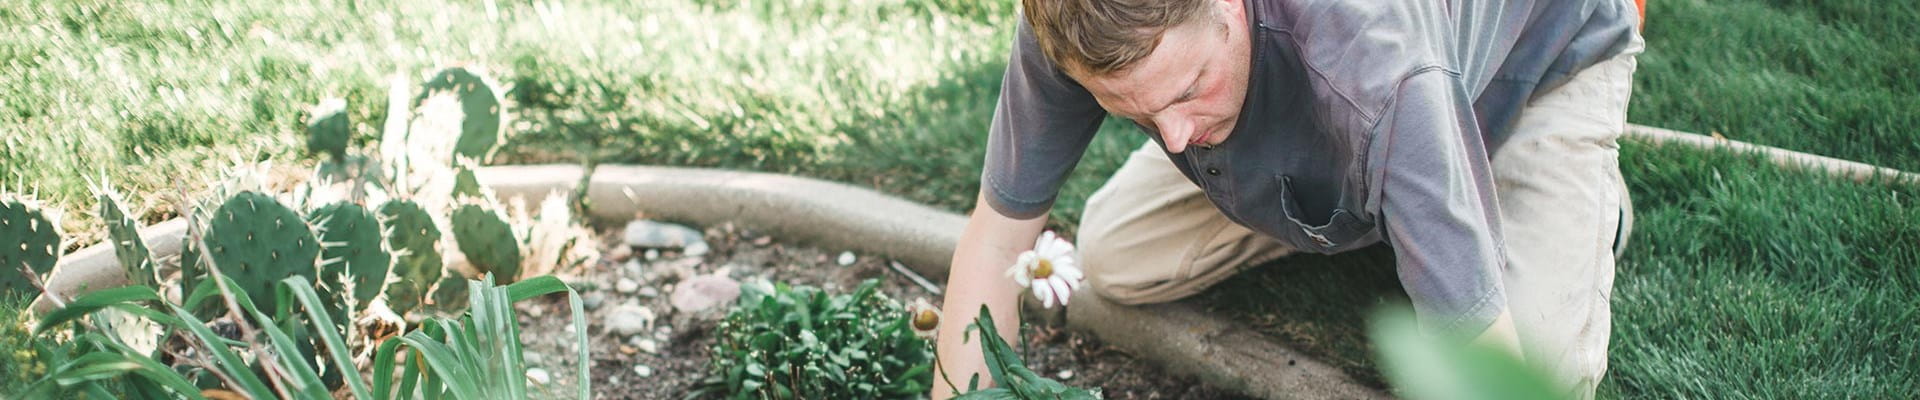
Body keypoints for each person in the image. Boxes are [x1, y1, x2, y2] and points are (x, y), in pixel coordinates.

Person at [931, 0, 1644, 398]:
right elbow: (998, 240)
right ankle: (1393, 205)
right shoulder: (1073, 23)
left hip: (1533, 68)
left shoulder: (1379, 67)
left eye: (1188, 90)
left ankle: (1577, 208)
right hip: (1366, 116)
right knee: (1116, 256)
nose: (1175, 138)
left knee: (1528, 374)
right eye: (1137, 114)